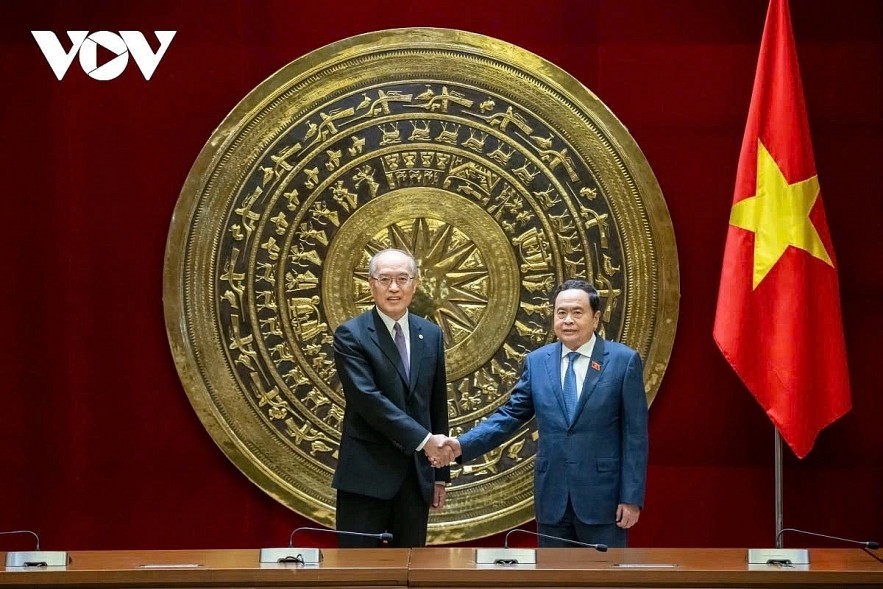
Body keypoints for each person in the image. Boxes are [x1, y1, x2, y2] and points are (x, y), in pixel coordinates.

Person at [443, 279, 648, 548]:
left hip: (604, 500)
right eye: (561, 313)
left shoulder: (623, 361)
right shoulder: (538, 362)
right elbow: (510, 415)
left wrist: (631, 497)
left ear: (595, 318)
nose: (568, 320)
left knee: (604, 582)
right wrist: (461, 445)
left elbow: (635, 436)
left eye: (577, 312)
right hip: (553, 498)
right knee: (553, 581)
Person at [332, 248, 452, 548]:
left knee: (411, 571)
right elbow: (368, 400)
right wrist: (426, 441)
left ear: (415, 282)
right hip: (365, 478)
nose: (394, 288)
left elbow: (436, 405)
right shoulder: (351, 335)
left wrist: (440, 474)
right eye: (385, 279)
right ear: (371, 284)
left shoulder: (432, 334)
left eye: (402, 278)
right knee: (359, 575)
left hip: (415, 478)